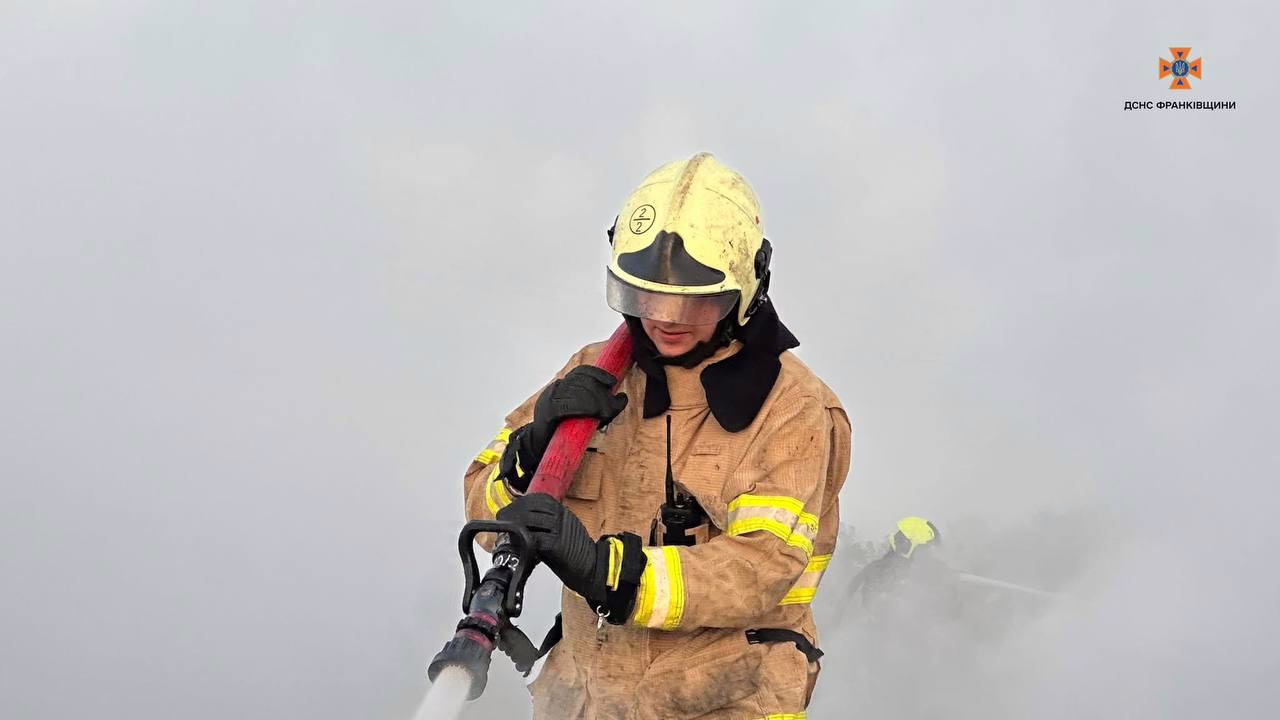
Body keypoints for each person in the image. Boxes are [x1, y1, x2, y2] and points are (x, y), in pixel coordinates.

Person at [461, 153, 851, 719]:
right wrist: (526, 458)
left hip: (722, 705)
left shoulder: (793, 406)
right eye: (648, 295)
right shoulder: (592, 371)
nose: (667, 317)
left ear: (746, 289)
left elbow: (762, 568)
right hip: (583, 703)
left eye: (695, 298)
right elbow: (482, 509)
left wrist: (612, 575)